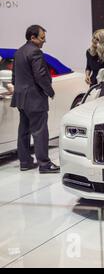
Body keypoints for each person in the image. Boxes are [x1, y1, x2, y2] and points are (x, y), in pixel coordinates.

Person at [10, 25, 60, 173]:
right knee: (40, 131)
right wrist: (50, 91)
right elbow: (40, 76)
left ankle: (25, 162)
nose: (44, 41)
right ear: (33, 38)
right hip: (34, 98)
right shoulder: (36, 52)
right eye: (42, 38)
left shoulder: (18, 52)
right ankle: (44, 164)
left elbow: (14, 77)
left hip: (21, 98)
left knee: (23, 131)